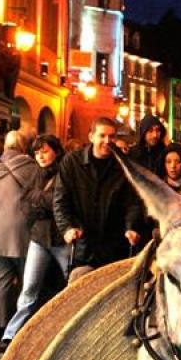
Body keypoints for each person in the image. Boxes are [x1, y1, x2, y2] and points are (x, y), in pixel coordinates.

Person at [0, 135, 68, 352]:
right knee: (29, 287)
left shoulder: (64, 173)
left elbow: (58, 202)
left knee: (73, 284)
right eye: (37, 153)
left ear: (56, 151)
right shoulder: (36, 173)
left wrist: (41, 200)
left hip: (61, 238)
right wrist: (43, 200)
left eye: (45, 151)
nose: (40, 156)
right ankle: (12, 336)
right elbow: (26, 204)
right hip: (39, 238)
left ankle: (69, 331)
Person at [53, 117, 142, 282]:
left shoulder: (122, 165)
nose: (107, 141)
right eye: (102, 136)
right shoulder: (72, 162)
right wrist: (66, 228)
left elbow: (133, 203)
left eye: (112, 136)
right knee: (78, 290)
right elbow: (61, 200)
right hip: (83, 243)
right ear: (91, 136)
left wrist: (131, 227)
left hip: (115, 245)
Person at [0, 130, 42, 340]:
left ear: (5, 146)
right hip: (21, 229)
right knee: (28, 280)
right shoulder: (31, 167)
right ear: (24, 147)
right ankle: (24, 327)